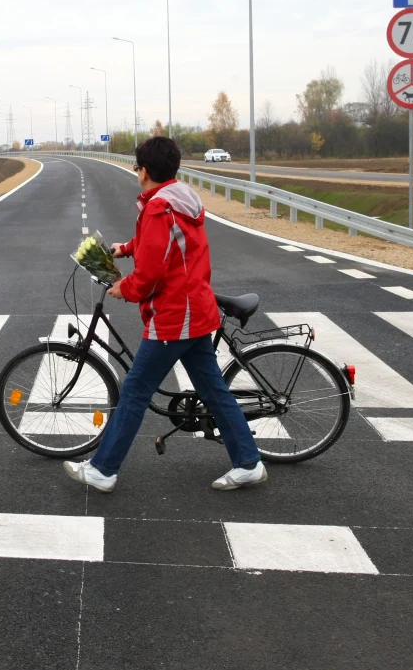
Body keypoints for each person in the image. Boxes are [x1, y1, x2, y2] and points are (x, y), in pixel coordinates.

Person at [64, 137, 266, 493]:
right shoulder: (179, 198)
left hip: (176, 315)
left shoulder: (159, 208)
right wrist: (126, 248)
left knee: (135, 390)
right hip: (194, 308)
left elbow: (151, 273)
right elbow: (163, 245)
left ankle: (102, 470)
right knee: (213, 390)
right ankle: (248, 463)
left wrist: (125, 288)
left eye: (136, 167)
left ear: (143, 171)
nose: (136, 172)